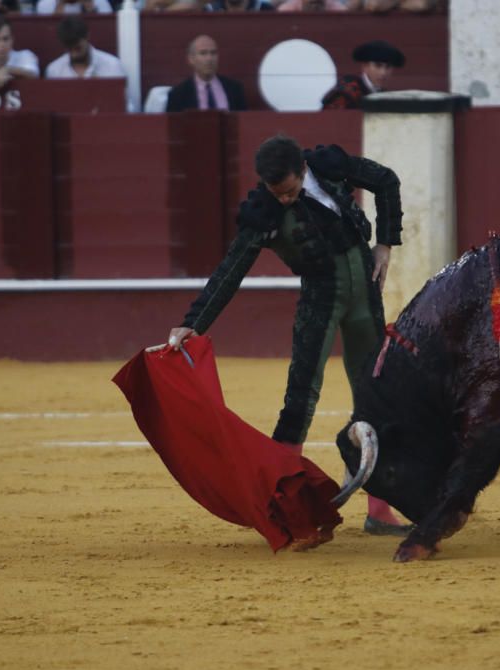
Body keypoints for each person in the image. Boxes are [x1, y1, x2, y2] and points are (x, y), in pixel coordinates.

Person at [166, 135, 412, 536]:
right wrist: (195, 322)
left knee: (376, 393)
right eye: (276, 193)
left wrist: (385, 243)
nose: (283, 201)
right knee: (300, 399)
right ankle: (286, 510)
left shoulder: (329, 165)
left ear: (303, 170)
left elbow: (386, 180)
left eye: (290, 191)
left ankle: (380, 509)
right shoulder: (263, 211)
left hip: (365, 294)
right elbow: (232, 269)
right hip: (320, 298)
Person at [165, 35, 247, 112]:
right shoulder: (178, 94)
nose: (209, 58)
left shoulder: (235, 89)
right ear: (191, 59)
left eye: (213, 53)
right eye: (203, 53)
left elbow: (243, 123)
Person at [321, 39, 405, 110]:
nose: (383, 72)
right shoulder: (346, 93)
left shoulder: (384, 95)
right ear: (365, 66)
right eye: (377, 66)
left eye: (388, 67)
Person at [45, 17, 125, 78]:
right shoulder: (54, 70)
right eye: (69, 49)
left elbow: (124, 99)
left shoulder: (112, 65)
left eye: (77, 48)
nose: (74, 54)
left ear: (87, 37)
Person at [36, 0, 113, 13]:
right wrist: (61, 4)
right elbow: (48, 31)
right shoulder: (45, 4)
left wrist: (90, 8)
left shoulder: (101, 2)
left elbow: (104, 31)